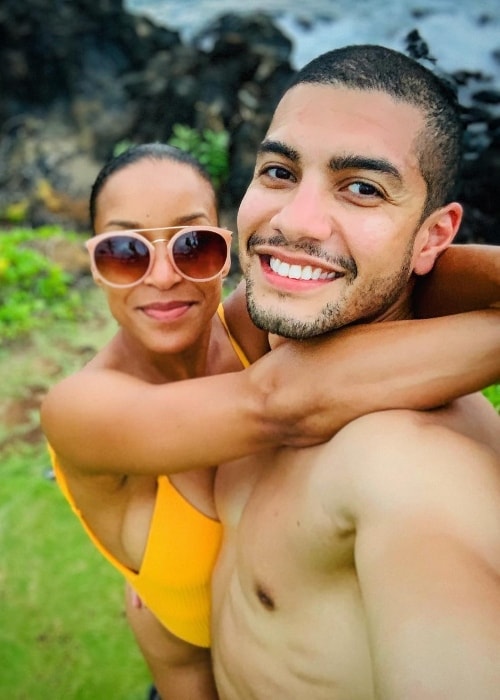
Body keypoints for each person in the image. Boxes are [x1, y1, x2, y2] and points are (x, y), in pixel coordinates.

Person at [40, 138, 500, 700]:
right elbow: (274, 403)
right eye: (125, 251)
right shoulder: (80, 409)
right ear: (93, 262)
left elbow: (404, 280)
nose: (162, 277)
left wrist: (417, 250)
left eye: (193, 244)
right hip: (185, 669)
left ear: (229, 250)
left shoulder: (249, 325)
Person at [209, 44, 500, 700]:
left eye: (362, 188)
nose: (293, 222)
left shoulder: (410, 461)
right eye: (279, 171)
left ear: (433, 237)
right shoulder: (249, 347)